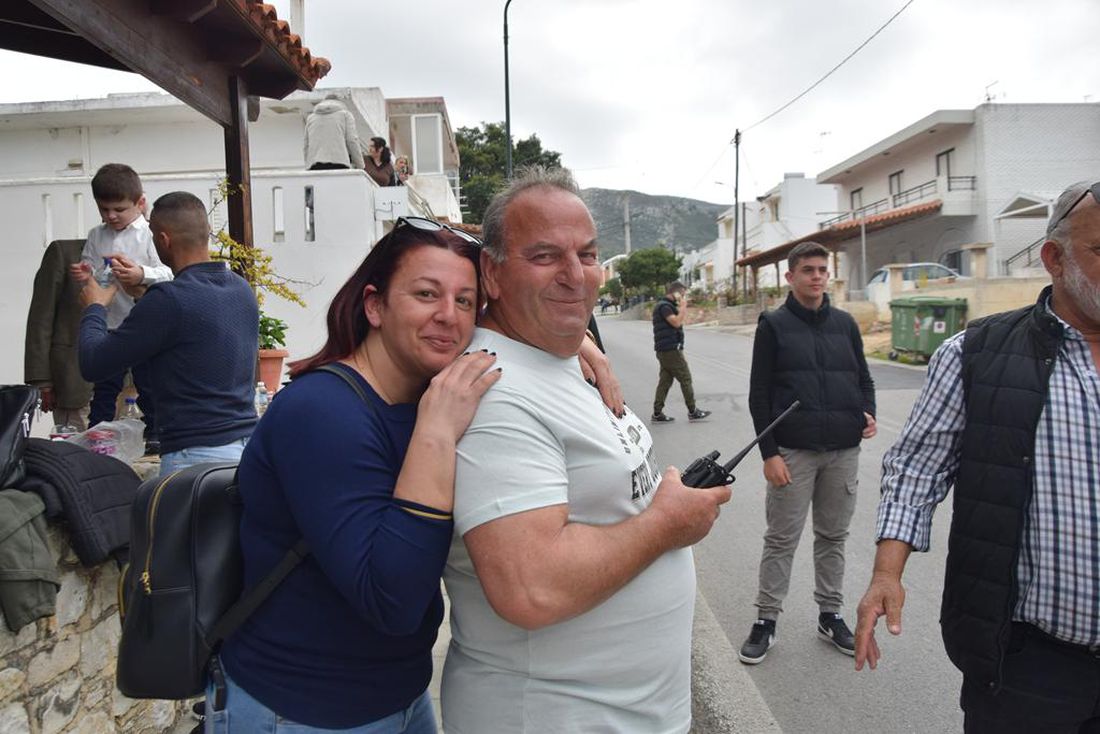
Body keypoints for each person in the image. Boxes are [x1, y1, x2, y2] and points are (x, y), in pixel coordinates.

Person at [210, 215, 621, 732]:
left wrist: (574, 342)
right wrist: (436, 434)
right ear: (374, 305)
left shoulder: (426, 390)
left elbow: (511, 317)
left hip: (399, 698)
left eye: (465, 301)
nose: (448, 316)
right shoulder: (323, 412)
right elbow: (393, 602)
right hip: (301, 708)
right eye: (426, 294)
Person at [441, 167, 731, 733]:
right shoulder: (493, 393)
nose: (576, 276)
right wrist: (666, 523)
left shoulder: (557, 355)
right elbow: (531, 587)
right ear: (492, 274)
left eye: (588, 254)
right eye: (545, 256)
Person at [855, 181, 1100, 733]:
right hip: (1028, 667)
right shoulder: (975, 354)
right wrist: (886, 574)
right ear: (1054, 259)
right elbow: (916, 469)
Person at [738, 241, 876, 665]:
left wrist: (868, 411)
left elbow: (863, 378)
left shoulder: (845, 324)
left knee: (833, 537)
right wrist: (769, 453)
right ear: (790, 276)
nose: (817, 277)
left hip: (842, 451)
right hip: (793, 452)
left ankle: (830, 614)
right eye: (808, 270)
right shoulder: (773, 325)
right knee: (782, 539)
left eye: (822, 270)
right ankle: (765, 619)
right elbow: (759, 394)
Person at [77, 192, 258, 476]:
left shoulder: (169, 300)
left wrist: (95, 307)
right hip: (246, 449)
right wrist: (142, 297)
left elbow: (93, 363)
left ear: (164, 239)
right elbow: (188, 333)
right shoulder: (241, 289)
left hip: (194, 456)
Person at [70, 163, 172, 437]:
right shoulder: (97, 235)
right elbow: (90, 267)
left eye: (119, 209)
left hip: (142, 323)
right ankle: (96, 436)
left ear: (140, 203)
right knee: (105, 386)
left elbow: (169, 273)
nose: (111, 216)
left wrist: (141, 274)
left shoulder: (149, 234)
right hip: (109, 324)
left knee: (147, 384)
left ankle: (156, 436)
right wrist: (86, 273)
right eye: (104, 209)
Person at [24, 239, 93, 431]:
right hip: (74, 380)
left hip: (131, 386)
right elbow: (41, 317)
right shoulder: (64, 252)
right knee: (75, 446)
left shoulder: (147, 254)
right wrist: (42, 380)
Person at [651, 281, 711, 423]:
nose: (683, 297)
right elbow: (676, 322)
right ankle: (692, 411)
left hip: (666, 350)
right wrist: (683, 306)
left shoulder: (666, 306)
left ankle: (657, 413)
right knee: (685, 378)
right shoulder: (665, 307)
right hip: (670, 350)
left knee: (665, 381)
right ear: (675, 292)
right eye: (682, 294)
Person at [304, 94, 365, 171]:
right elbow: (352, 140)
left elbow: (306, 145)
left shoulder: (311, 117)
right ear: (340, 103)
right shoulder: (345, 115)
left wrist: (308, 165)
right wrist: (360, 165)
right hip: (339, 162)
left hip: (315, 165)